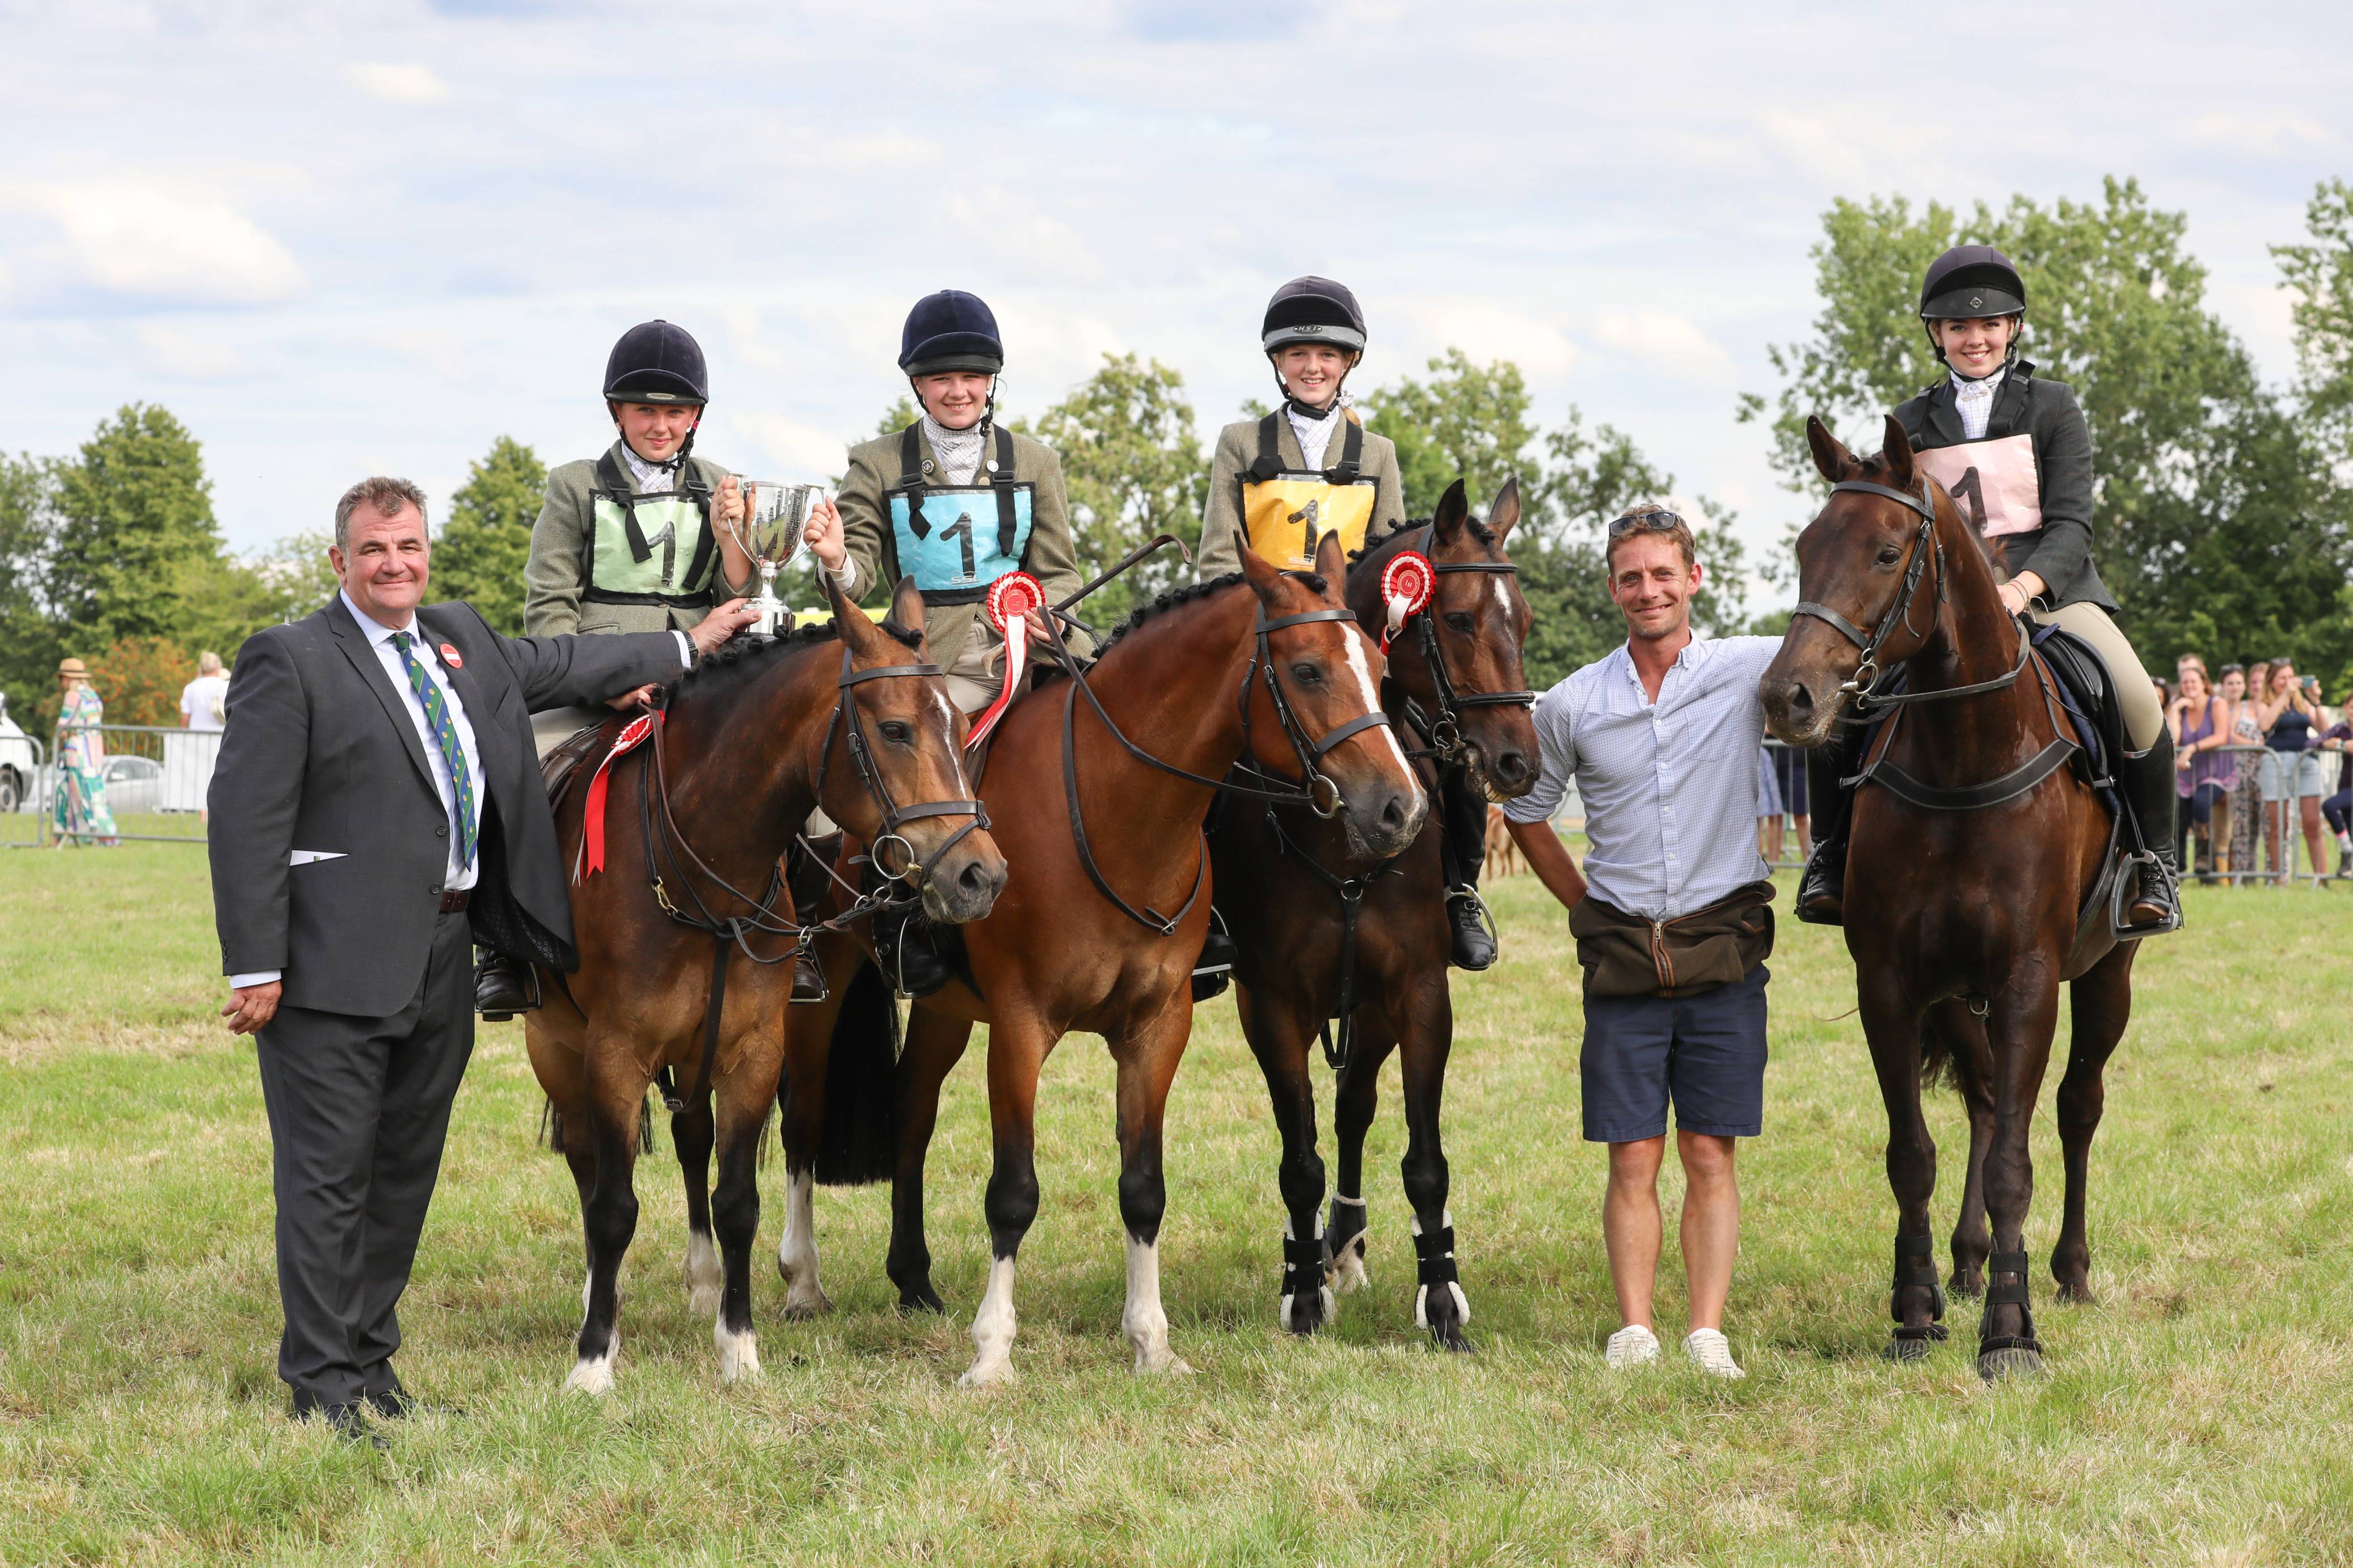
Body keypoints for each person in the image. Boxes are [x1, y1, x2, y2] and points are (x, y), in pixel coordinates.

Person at [209, 476, 754, 1444]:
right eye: (374, 549)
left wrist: (689, 644)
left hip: (443, 952)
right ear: (339, 560)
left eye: (409, 546)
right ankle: (321, 1386)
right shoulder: (289, 659)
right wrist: (255, 965)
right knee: (329, 1179)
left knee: (404, 1171)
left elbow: (562, 660)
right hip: (332, 959)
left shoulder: (456, 639)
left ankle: (371, 1368)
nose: (395, 564)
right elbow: (245, 818)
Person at [1799, 246, 2179, 930]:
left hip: (2052, 593)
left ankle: (2155, 864)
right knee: (1851, 701)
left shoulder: (2054, 405)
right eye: (1957, 327)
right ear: (1936, 335)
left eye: (1988, 325)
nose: (1973, 338)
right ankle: (1829, 855)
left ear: (2013, 328)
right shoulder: (1909, 421)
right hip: (1945, 610)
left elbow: (2071, 523)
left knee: (2135, 698)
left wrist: (2020, 589)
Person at [1502, 505, 1779, 1380]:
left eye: (1664, 573)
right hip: (1622, 955)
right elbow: (1526, 810)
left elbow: (1847, 664)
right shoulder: (1574, 702)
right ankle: (1635, 1330)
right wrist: (1582, 905)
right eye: (1632, 577)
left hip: (1723, 948)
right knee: (1633, 1154)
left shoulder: (1749, 669)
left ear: (1694, 578)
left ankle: (1705, 1332)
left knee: (1709, 1151)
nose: (1649, 590)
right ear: (1613, 588)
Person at [1195, 277, 1492, 969]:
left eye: (1326, 355)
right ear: (1277, 362)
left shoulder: (1376, 452)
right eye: (1297, 354)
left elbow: (1390, 559)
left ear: (1348, 362)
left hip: (1354, 647)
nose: (1312, 367)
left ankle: (1458, 887)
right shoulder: (1240, 443)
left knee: (1447, 740)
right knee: (1202, 754)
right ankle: (1209, 912)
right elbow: (1217, 558)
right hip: (1267, 643)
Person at [800, 288, 1086, 996]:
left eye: (971, 377)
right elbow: (859, 572)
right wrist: (835, 556)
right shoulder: (876, 462)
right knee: (911, 756)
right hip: (929, 657)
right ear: (917, 385)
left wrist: (1048, 617)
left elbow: (1057, 570)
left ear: (991, 381)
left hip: (1027, 642)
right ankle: (898, 918)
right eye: (940, 378)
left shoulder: (1035, 459)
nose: (957, 390)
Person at [486, 319, 773, 1017]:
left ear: (695, 416)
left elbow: (735, 598)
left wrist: (734, 540)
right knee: (517, 765)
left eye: (676, 412)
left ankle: (790, 931)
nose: (661, 426)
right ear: (616, 411)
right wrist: (596, 680)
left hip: (702, 678)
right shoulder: (573, 486)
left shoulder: (724, 485)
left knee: (779, 768)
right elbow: (550, 605)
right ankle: (502, 946)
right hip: (595, 680)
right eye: (645, 410)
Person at [2257, 658, 2326, 883]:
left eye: (2290, 677)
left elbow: (2324, 730)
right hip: (2276, 762)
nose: (2288, 682)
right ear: (2272, 681)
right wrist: (2284, 696)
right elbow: (2264, 725)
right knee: (2279, 825)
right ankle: (2279, 878)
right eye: (2282, 678)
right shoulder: (2265, 702)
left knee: (2313, 822)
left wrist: (2316, 701)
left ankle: (2320, 877)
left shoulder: (2302, 703)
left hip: (2305, 762)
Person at [2168, 663, 2229, 883]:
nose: (2189, 686)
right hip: (2186, 776)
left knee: (2201, 803)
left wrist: (2193, 748)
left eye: (2193, 681)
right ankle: (2178, 868)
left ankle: (2204, 858)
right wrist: (2175, 709)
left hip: (2215, 773)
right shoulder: (2180, 707)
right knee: (2178, 813)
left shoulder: (2217, 703)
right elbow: (2174, 739)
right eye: (2185, 682)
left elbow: (2221, 736)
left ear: (2204, 683)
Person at [51, 657, 117, 846]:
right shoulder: (93, 696)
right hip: (94, 752)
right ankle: (58, 837)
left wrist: (63, 733)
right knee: (71, 792)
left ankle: (103, 835)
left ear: (67, 678)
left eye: (62, 678)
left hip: (78, 752)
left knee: (85, 795)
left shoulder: (73, 696)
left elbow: (62, 725)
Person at [170, 649, 231, 822]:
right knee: (217, 774)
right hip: (220, 737)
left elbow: (185, 717)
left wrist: (183, 736)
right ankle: (215, 810)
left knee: (198, 776)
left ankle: (202, 812)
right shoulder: (224, 686)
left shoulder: (191, 688)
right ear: (217, 667)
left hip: (196, 738)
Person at [2223, 663, 2265, 882]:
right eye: (2255, 681)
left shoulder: (2275, 706)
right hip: (2242, 770)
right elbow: (2230, 735)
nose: (2258, 686)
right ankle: (2242, 875)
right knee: (2242, 825)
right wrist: (2255, 744)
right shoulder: (2242, 707)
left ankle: (2272, 876)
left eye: (2262, 681)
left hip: (2267, 770)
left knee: (2266, 825)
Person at [2317, 684, 2352, 876]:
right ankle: (2348, 862)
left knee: (2329, 806)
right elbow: (2313, 741)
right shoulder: (2341, 729)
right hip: (2345, 785)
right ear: (2346, 707)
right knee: (2350, 830)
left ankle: (2347, 850)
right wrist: (2331, 743)